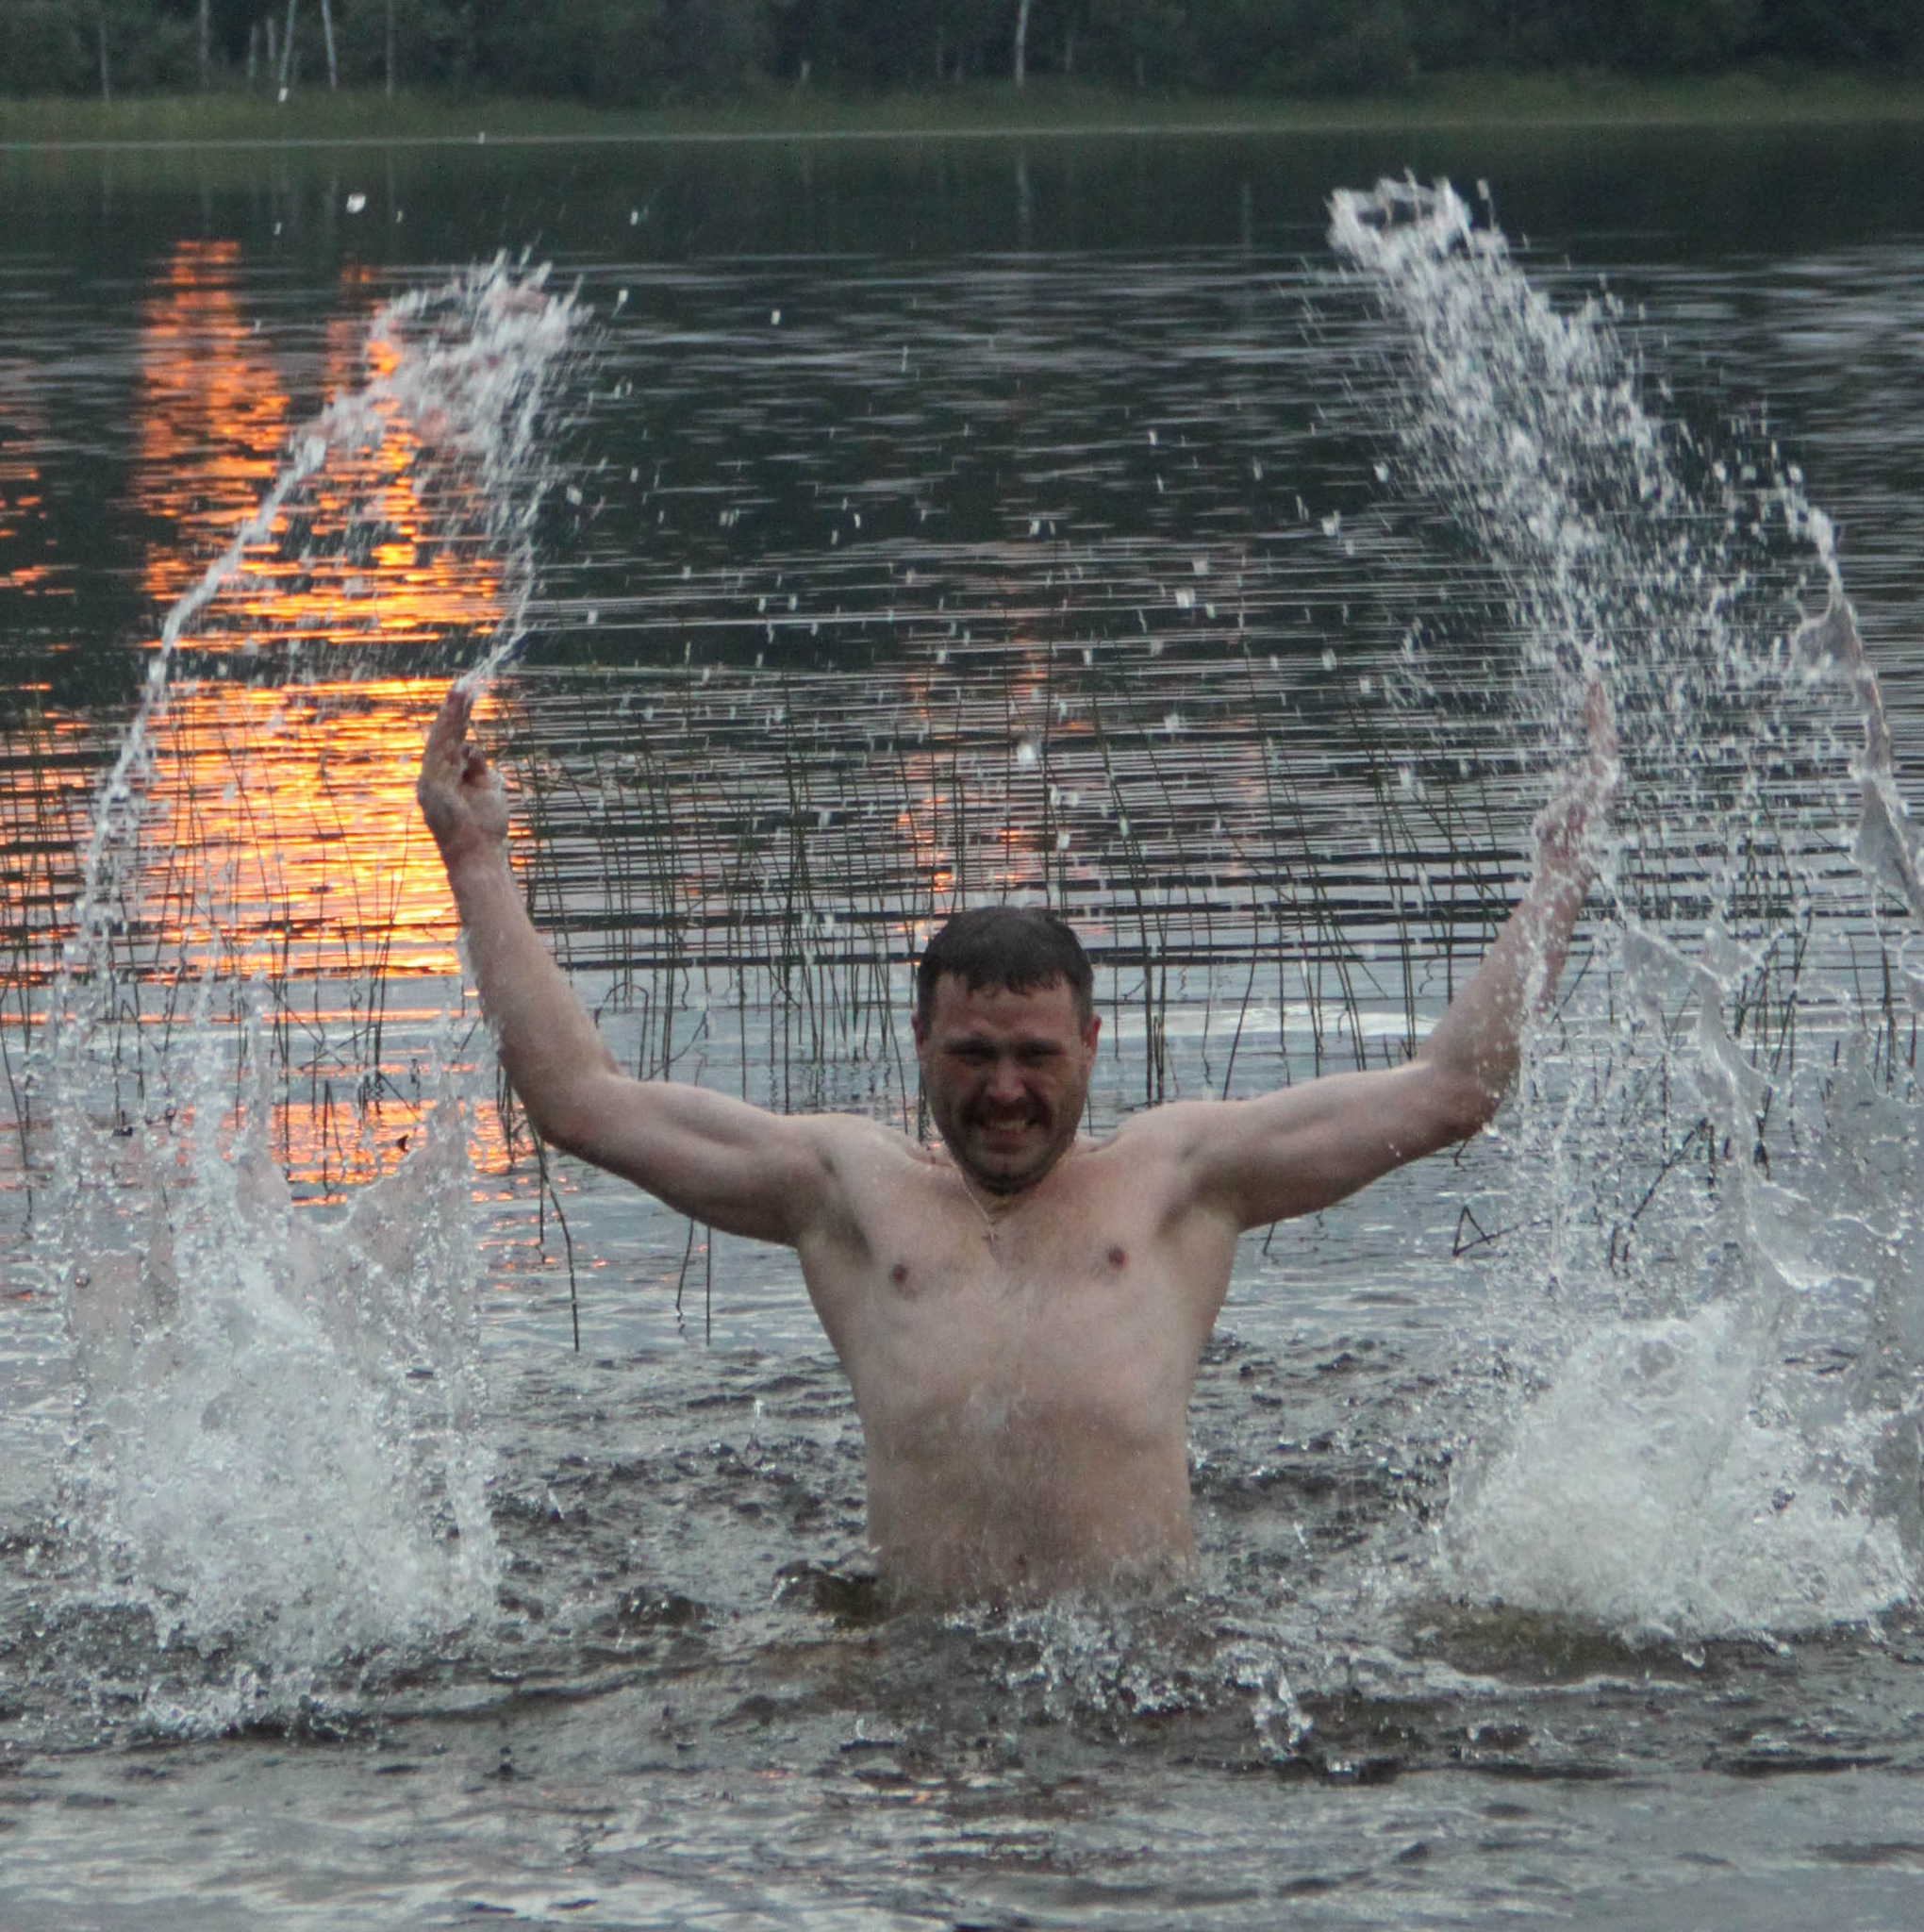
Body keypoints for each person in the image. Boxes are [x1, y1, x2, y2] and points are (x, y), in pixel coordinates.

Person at [418, 683, 1617, 1606]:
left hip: (1149, 1669)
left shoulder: (1181, 1180)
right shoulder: (844, 1190)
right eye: (973, 1054)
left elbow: (1452, 1089)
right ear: (921, 1040)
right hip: (921, 1679)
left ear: (1090, 1043)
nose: (1003, 1090)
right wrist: (476, 859)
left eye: (1036, 1055)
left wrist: (1560, 872)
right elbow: (581, 1101)